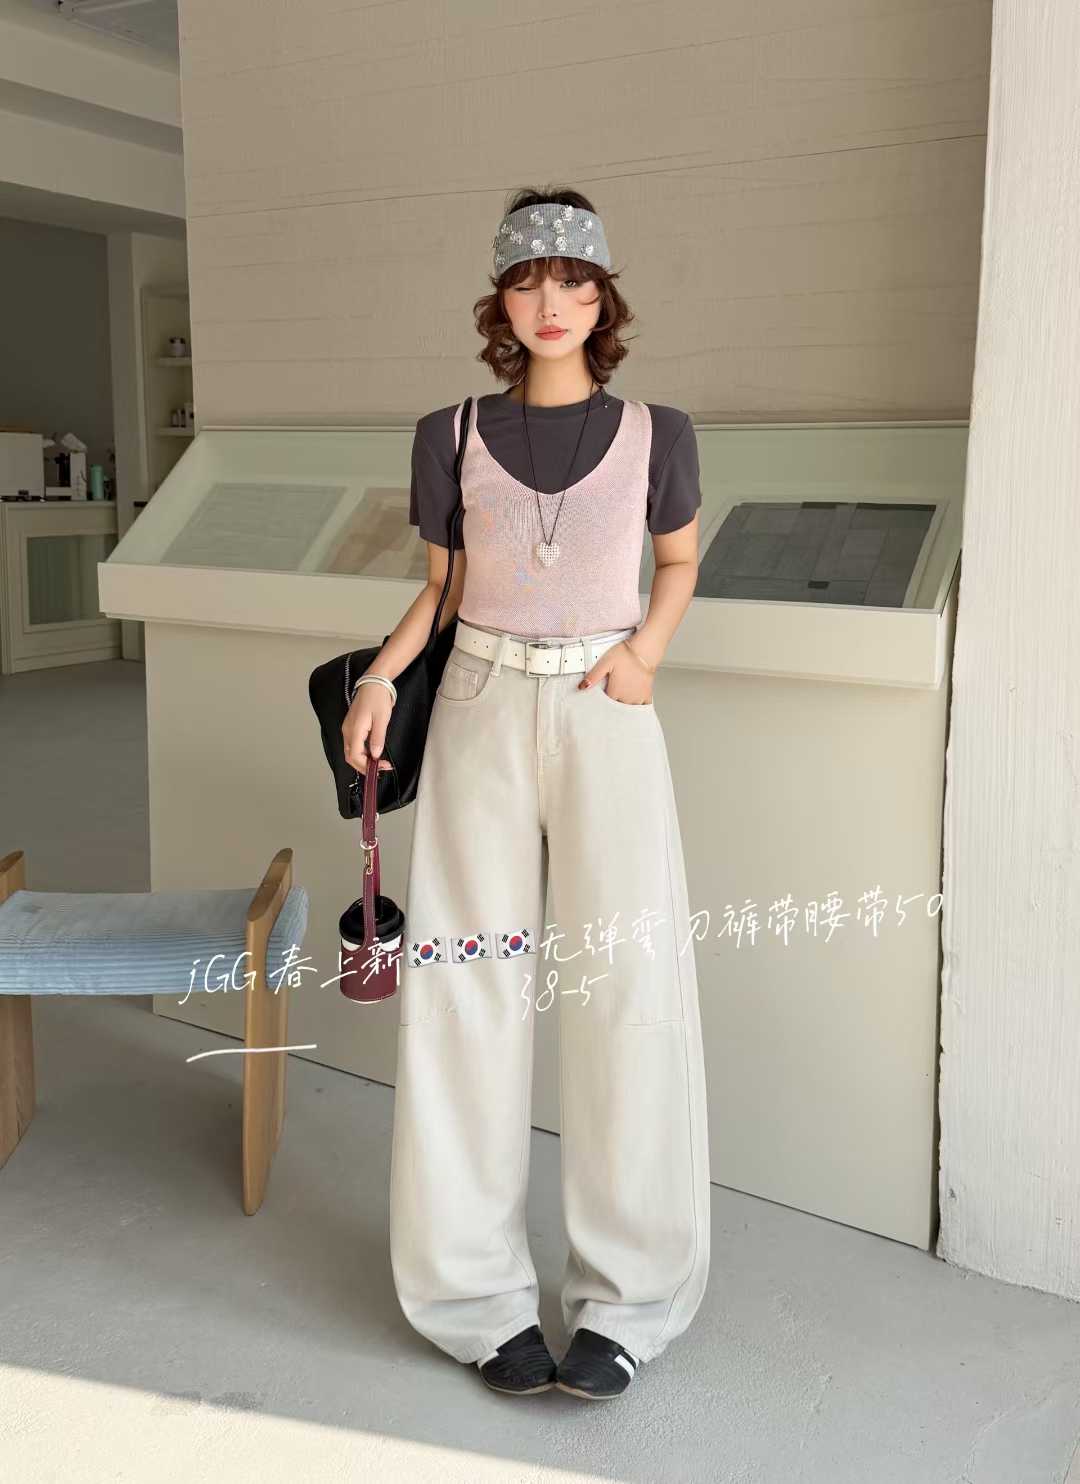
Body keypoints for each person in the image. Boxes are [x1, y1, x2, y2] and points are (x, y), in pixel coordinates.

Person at [343, 186, 711, 1401]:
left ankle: (629, 1301)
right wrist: (380, 679)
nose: (551, 301)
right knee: (467, 984)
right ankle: (472, 1299)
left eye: (574, 279)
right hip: (481, 702)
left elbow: (678, 559)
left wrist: (646, 652)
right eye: (527, 279)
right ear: (500, 301)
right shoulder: (448, 432)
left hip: (610, 704)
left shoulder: (659, 431)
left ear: (604, 298)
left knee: (628, 984)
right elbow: (444, 589)